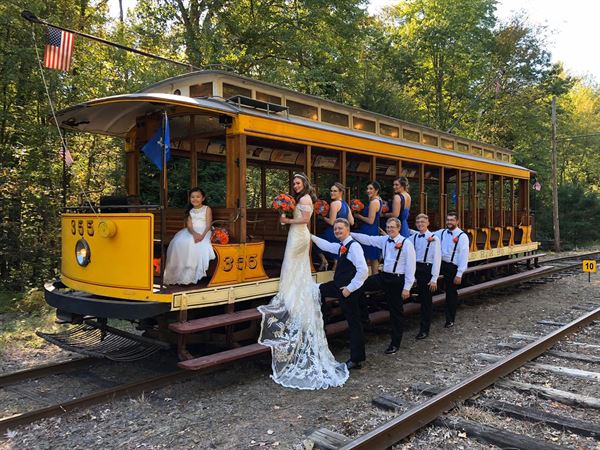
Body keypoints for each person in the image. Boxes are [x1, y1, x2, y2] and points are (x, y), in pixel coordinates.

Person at [258, 173, 350, 389]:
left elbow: (306, 220)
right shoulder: (298, 199)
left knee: (294, 262)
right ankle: (290, 288)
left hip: (299, 234)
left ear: (305, 184)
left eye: (298, 183)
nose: (295, 185)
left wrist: (288, 219)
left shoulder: (306, 199)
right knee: (291, 264)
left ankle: (292, 293)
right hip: (295, 233)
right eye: (294, 183)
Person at [351, 217, 416, 354]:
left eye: (392, 227)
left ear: (398, 228)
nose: (390, 229)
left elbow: (411, 267)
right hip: (384, 276)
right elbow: (368, 239)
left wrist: (407, 288)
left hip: (397, 280)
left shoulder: (406, 243)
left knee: (396, 312)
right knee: (359, 285)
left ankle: (395, 343)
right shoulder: (384, 240)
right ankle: (365, 318)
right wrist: (350, 234)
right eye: (388, 227)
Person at [312, 218, 369, 369]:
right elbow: (328, 246)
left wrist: (349, 289)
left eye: (340, 229)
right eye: (335, 229)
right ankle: (326, 316)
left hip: (349, 291)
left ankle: (356, 359)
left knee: (354, 323)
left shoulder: (354, 247)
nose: (337, 231)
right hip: (339, 287)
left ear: (348, 229)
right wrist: (309, 236)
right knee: (318, 289)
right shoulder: (342, 246)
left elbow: (363, 270)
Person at [163, 188, 216, 285]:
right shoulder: (190, 211)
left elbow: (208, 224)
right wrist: (195, 234)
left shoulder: (207, 209)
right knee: (177, 242)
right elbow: (190, 226)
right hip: (192, 231)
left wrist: (202, 236)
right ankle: (179, 273)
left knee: (192, 244)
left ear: (203, 198)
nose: (195, 199)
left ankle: (191, 274)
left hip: (205, 231)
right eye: (192, 197)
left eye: (198, 197)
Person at [435, 212, 470, 328]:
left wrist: (459, 273)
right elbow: (427, 235)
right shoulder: (442, 232)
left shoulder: (462, 236)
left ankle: (450, 319)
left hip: (452, 266)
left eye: (452, 220)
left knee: (451, 293)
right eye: (448, 220)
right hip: (441, 264)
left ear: (457, 221)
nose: (449, 222)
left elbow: (464, 256)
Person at [410, 214, 441, 339]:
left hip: (427, 269)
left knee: (426, 302)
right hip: (415, 268)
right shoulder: (413, 237)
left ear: (428, 223)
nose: (420, 224)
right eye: (418, 222)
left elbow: (437, 259)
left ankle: (424, 329)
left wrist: (434, 278)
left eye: (423, 221)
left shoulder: (434, 238)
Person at [316, 182, 354, 271]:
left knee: (316, 241)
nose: (332, 193)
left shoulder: (334, 204)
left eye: (335, 191)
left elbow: (332, 222)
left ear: (340, 192)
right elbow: (351, 222)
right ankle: (333, 262)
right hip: (342, 235)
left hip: (332, 233)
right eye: (331, 191)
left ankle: (324, 260)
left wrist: (323, 217)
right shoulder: (346, 205)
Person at [354, 181, 383, 275]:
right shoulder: (379, 200)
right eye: (367, 188)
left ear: (376, 190)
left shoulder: (374, 202)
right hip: (373, 230)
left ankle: (366, 280)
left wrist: (358, 216)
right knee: (373, 257)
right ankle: (374, 281)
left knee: (366, 257)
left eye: (371, 189)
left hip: (368, 230)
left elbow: (370, 220)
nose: (368, 191)